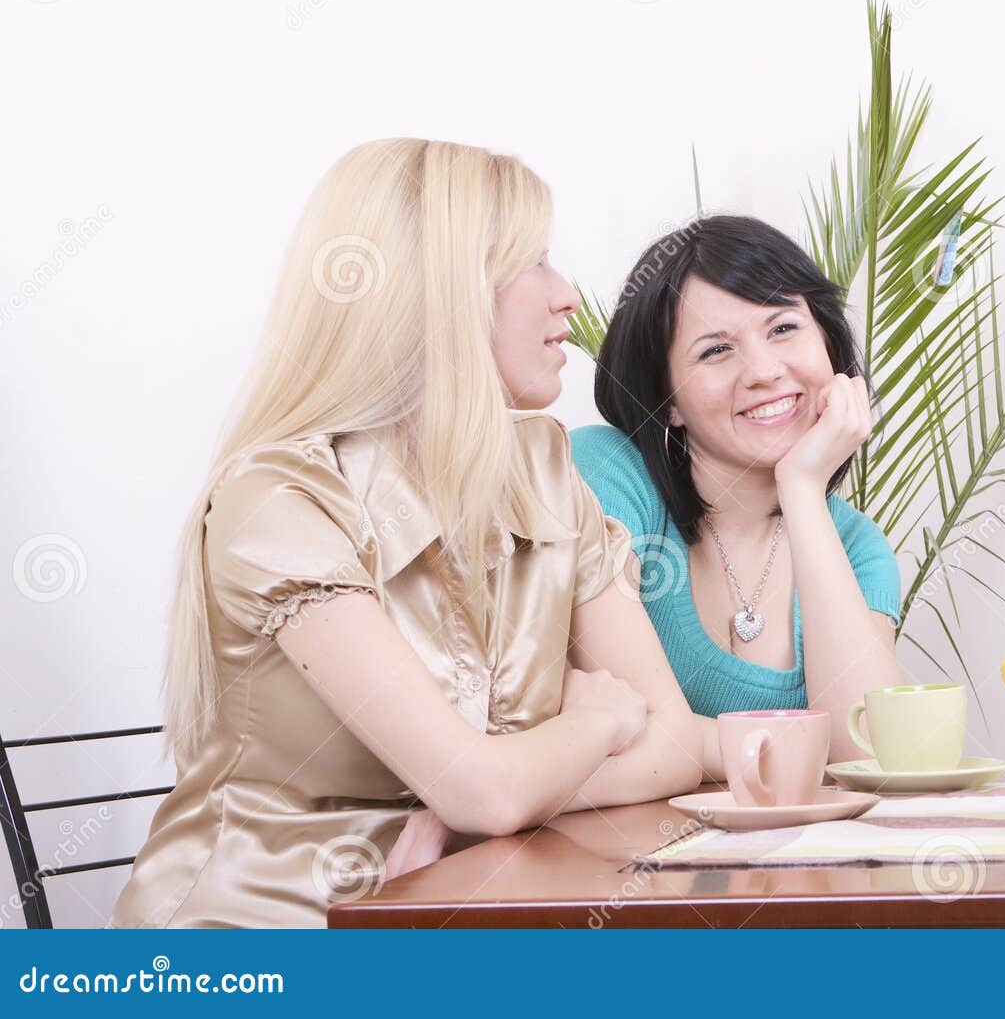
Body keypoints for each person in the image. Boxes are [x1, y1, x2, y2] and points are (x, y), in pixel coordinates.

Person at [110, 139, 701, 927]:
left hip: (459, 913)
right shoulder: (281, 497)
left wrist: (487, 801)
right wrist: (592, 725)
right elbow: (491, 783)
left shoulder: (542, 466)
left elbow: (673, 747)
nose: (567, 295)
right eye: (534, 262)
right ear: (442, 293)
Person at [571, 216, 904, 776]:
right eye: (716, 351)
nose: (765, 372)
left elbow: (869, 750)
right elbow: (643, 729)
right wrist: (800, 756)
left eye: (783, 329)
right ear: (668, 399)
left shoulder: (855, 546)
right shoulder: (605, 474)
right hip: (611, 857)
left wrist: (801, 488)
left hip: (795, 861)